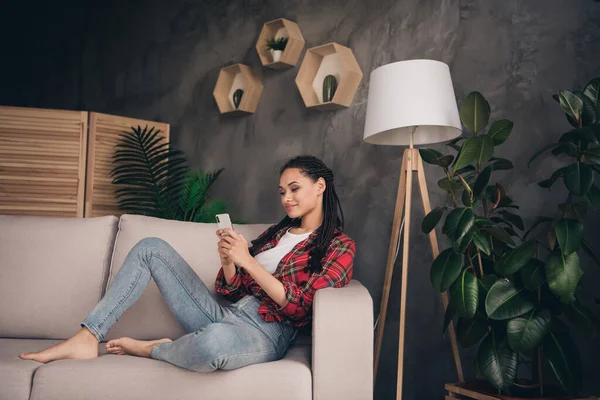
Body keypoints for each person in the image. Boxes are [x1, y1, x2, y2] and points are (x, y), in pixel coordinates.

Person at [18, 155, 356, 372]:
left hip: (266, 333)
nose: (286, 199)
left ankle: (158, 349)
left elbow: (302, 307)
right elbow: (229, 289)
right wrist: (229, 262)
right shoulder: (276, 233)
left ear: (320, 186)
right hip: (225, 314)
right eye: (282, 191)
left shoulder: (339, 246)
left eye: (294, 189)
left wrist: (248, 263)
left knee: (212, 345)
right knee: (151, 248)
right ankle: (88, 336)